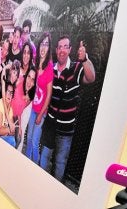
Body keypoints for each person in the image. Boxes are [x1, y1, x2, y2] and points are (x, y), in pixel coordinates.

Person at [39, 36, 95, 182]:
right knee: (44, 159)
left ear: (70, 49)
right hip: (50, 125)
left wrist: (85, 60)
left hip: (66, 129)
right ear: (56, 50)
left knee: (59, 164)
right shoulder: (52, 68)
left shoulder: (76, 68)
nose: (62, 50)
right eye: (59, 47)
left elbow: (91, 78)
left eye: (65, 46)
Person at [25, 32, 54, 164]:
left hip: (41, 112)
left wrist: (40, 114)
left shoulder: (49, 67)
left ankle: (34, 167)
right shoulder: (35, 61)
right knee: (29, 138)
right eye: (42, 43)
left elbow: (49, 94)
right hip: (32, 108)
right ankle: (25, 162)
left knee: (35, 141)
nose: (43, 47)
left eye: (46, 44)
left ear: (49, 48)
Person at [0, 83, 17, 147]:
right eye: (8, 91)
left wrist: (11, 129)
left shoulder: (11, 109)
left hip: (2, 136)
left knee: (13, 140)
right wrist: (9, 129)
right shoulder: (0, 103)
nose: (10, 94)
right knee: (11, 141)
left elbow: (12, 133)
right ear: (4, 92)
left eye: (12, 93)